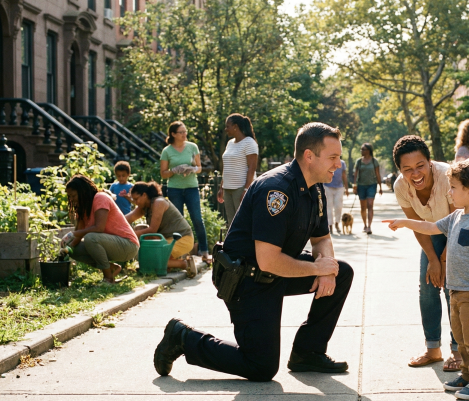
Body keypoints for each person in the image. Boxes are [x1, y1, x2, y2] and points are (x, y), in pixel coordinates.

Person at [152, 122, 354, 382]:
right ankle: (182, 338)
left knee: (341, 272)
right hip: (246, 280)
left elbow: (322, 237)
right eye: (333, 157)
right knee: (261, 366)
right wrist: (317, 268)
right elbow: (268, 260)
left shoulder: (315, 188)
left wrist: (326, 267)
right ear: (309, 156)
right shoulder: (277, 190)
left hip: (275, 271)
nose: (338, 164)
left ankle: (308, 352)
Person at [383, 157, 469, 400]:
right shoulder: (457, 217)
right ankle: (467, 376)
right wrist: (404, 222)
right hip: (456, 290)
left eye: (454, 188)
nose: (450, 192)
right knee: (462, 338)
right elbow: (431, 227)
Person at [392, 135, 462, 372]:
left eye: (420, 165)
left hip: (464, 228)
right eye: (407, 169)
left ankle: (459, 351)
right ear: (400, 170)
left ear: (430, 162)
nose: (415, 173)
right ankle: (433, 350)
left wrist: (443, 260)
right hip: (431, 229)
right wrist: (433, 259)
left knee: (453, 287)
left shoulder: (447, 177)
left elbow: (457, 221)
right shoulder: (401, 186)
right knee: (428, 286)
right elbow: (415, 223)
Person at [64, 175, 139, 283]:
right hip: (109, 243)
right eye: (69, 196)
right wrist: (66, 248)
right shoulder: (83, 207)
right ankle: (111, 268)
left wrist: (73, 234)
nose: (71, 199)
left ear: (82, 192)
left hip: (127, 245)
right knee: (73, 250)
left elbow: (99, 228)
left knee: (91, 238)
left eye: (73, 196)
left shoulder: (100, 198)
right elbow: (78, 234)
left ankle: (108, 278)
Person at [160, 121, 210, 263]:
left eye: (185, 132)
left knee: (197, 219)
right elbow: (163, 173)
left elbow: (199, 167)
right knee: (178, 221)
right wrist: (174, 171)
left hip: (191, 188)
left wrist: (192, 169)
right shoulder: (167, 151)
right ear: (174, 134)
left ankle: (204, 250)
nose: (184, 134)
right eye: (181, 132)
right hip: (175, 188)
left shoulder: (192, 147)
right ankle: (180, 253)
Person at [126, 182, 197, 278]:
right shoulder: (144, 207)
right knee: (140, 228)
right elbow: (125, 219)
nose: (135, 202)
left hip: (182, 239)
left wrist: (132, 235)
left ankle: (185, 264)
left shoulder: (158, 202)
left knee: (152, 261)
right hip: (167, 238)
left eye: (136, 199)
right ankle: (168, 264)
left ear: (144, 195)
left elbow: (152, 230)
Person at [217, 113, 259, 227]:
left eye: (228, 126)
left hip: (240, 188)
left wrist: (246, 189)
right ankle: (233, 245)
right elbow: (227, 167)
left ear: (235, 126)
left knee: (243, 221)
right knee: (231, 222)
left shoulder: (249, 143)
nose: (226, 129)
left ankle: (246, 245)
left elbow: (252, 168)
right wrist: (221, 187)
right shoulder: (230, 143)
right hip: (227, 189)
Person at [353, 143, 383, 234]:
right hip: (361, 186)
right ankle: (364, 225)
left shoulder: (374, 161)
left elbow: (378, 174)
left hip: (372, 185)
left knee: (370, 205)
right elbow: (356, 174)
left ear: (368, 150)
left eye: (363, 149)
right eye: (361, 149)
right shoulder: (359, 161)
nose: (361, 151)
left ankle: (369, 226)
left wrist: (380, 186)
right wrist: (355, 185)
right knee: (363, 207)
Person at [324, 158, 348, 234]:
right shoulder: (326, 161)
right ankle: (330, 225)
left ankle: (337, 223)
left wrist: (347, 188)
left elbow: (344, 175)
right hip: (328, 186)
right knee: (329, 207)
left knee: (338, 206)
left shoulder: (342, 163)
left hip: (339, 187)